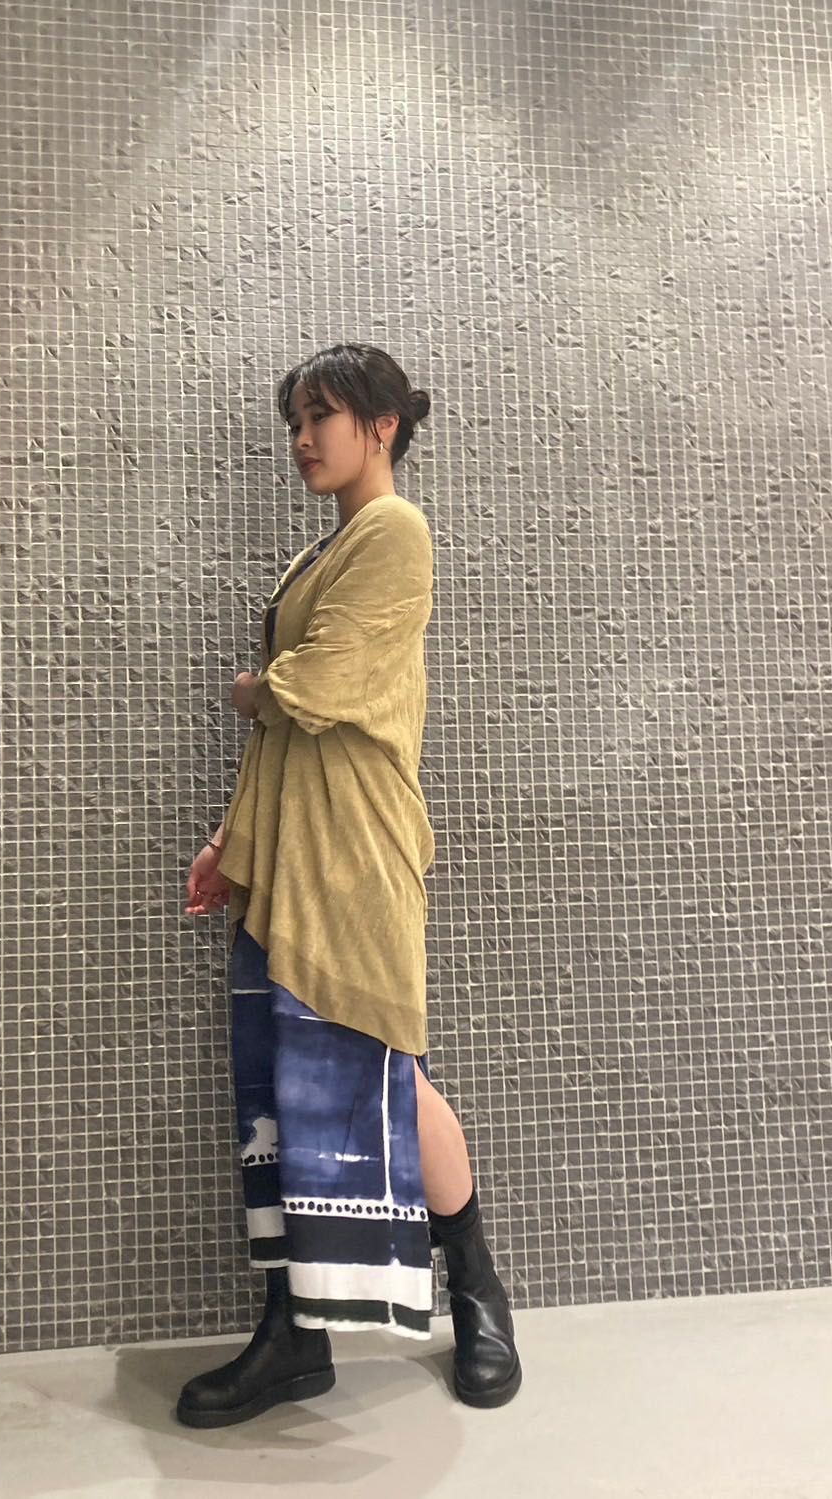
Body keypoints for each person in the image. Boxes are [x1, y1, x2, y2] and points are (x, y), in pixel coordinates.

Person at [178, 343, 521, 1427]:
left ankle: (478, 1295)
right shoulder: (320, 552)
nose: (301, 438)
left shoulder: (394, 532)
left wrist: (250, 687)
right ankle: (295, 1335)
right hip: (293, 852)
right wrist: (231, 840)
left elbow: (313, 689)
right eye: (294, 419)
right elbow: (291, 728)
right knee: (289, 1089)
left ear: (382, 425)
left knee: (384, 1070)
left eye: (320, 415)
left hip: (358, 852)